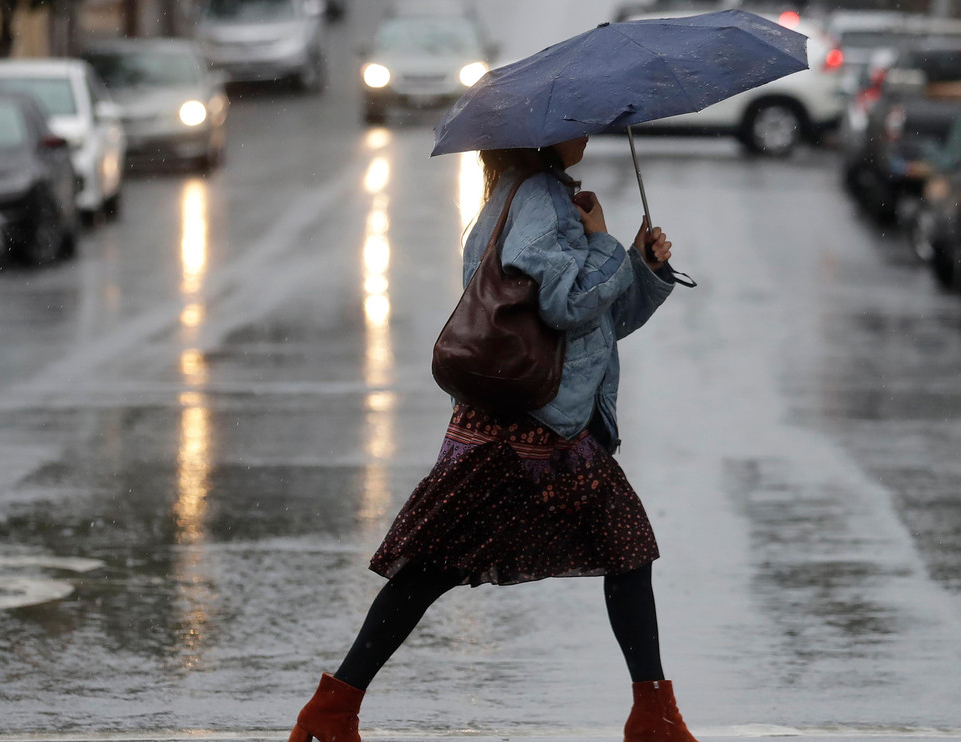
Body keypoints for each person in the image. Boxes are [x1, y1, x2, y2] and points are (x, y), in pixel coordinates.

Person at [286, 135, 696, 742]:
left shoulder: (521, 195)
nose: (585, 133)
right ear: (544, 135)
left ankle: (336, 705)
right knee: (446, 567)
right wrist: (606, 243)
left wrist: (640, 267)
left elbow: (595, 326)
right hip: (528, 429)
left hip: (527, 419)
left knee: (607, 547)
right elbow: (565, 305)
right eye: (575, 123)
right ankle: (335, 706)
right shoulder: (541, 201)